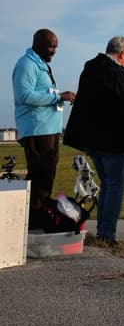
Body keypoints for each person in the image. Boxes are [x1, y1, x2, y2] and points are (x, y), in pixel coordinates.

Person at [63, 36, 124, 244]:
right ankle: (107, 234)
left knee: (106, 184)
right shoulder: (117, 72)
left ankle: (103, 231)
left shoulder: (90, 69)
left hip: (91, 138)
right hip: (113, 139)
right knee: (116, 186)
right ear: (123, 54)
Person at [12, 29, 76, 230]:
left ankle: (38, 219)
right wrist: (59, 97)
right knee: (40, 177)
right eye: (51, 46)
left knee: (46, 176)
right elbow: (25, 96)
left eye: (56, 47)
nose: (54, 51)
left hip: (47, 129)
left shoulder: (41, 66)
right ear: (37, 43)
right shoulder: (26, 65)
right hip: (36, 130)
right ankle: (33, 223)